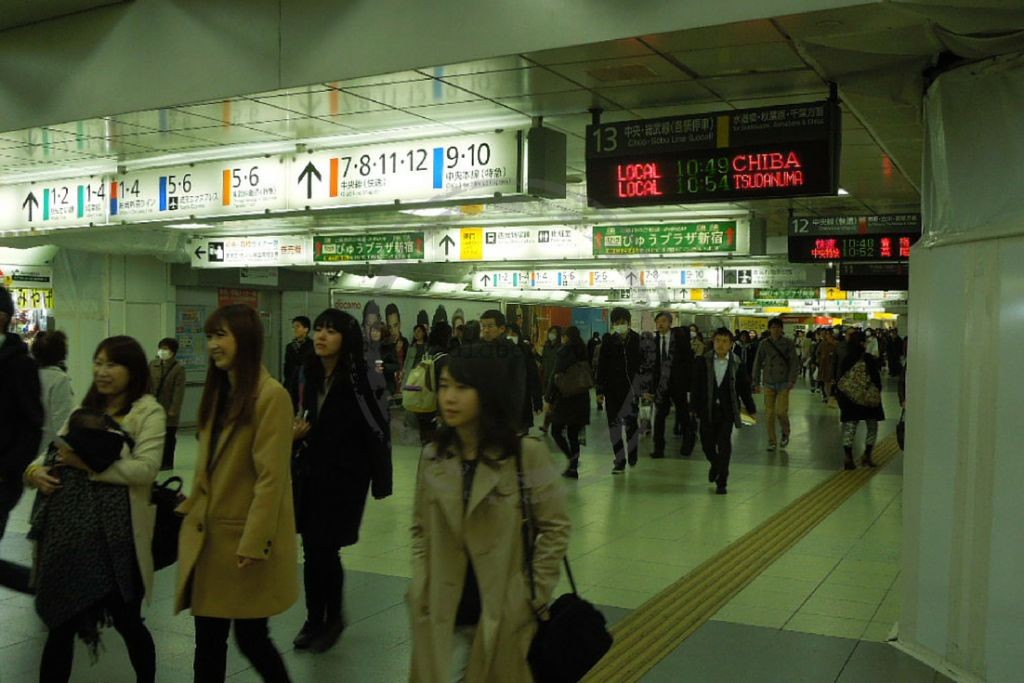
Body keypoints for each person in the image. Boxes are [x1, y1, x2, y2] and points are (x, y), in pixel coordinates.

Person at [408, 342, 571, 681]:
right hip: (443, 612)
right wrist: (422, 582)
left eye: (462, 387)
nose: (449, 397)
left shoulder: (525, 455)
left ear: (488, 392)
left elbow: (555, 529)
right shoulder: (434, 456)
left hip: (502, 613)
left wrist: (530, 596)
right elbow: (420, 527)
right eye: (444, 386)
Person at [26, 335, 163, 682]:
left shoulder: (147, 411)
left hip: (118, 543)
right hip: (72, 540)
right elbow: (53, 453)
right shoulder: (82, 411)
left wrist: (90, 467)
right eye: (98, 362)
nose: (102, 371)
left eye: (112, 364)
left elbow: (146, 469)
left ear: (132, 370)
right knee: (61, 623)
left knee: (129, 621)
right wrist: (34, 471)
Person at [175, 304, 297, 683]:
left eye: (221, 335)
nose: (213, 344)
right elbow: (210, 468)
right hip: (210, 539)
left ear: (246, 340)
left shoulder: (270, 396)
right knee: (208, 641)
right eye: (210, 336)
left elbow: (271, 478)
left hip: (242, 541)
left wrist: (255, 541)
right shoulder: (218, 394)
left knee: (251, 638)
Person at [291, 309, 393, 653]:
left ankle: (331, 618)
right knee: (312, 548)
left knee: (326, 547)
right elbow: (292, 413)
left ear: (345, 338)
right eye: (318, 329)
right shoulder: (306, 372)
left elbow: (379, 430)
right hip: (309, 470)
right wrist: (291, 435)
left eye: (330, 331)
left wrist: (382, 480)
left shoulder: (363, 377)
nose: (321, 336)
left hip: (346, 475)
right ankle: (312, 618)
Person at [0, 285, 43, 595]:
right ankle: (45, 586)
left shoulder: (19, 364)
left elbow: (32, 424)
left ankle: (44, 586)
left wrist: (8, 470)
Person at [691, 328, 757, 495]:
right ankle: (715, 464)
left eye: (725, 341)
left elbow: (743, 388)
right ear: (713, 342)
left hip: (727, 411)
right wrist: (694, 407)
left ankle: (722, 481)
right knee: (707, 444)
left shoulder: (736, 363)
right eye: (718, 340)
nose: (721, 344)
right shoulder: (702, 361)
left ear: (731, 344)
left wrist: (751, 409)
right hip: (707, 410)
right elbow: (696, 386)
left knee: (724, 444)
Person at [479, 310, 542, 435]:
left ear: (502, 328)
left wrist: (537, 401)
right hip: (487, 413)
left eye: (490, 326)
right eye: (483, 326)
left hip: (513, 414)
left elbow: (527, 379)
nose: (486, 330)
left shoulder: (515, 351)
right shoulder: (479, 351)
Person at [596, 308, 643, 473]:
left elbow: (642, 366)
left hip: (631, 391)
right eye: (616, 322)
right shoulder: (608, 341)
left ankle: (633, 453)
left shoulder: (637, 340)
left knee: (631, 425)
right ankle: (619, 459)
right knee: (614, 427)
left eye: (623, 322)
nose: (620, 325)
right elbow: (601, 366)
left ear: (629, 323)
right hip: (612, 390)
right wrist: (599, 390)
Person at [642, 311, 695, 459]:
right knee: (659, 417)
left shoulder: (680, 338)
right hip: (661, 385)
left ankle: (687, 443)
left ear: (670, 323)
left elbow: (688, 361)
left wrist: (689, 384)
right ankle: (659, 447)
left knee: (683, 414)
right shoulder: (654, 341)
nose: (660, 324)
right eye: (658, 321)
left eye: (664, 321)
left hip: (678, 383)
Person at [836, 331, 886, 470]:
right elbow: (876, 378)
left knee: (850, 428)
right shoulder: (868, 358)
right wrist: (877, 390)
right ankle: (867, 455)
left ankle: (848, 457)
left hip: (850, 398)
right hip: (868, 398)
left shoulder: (846, 358)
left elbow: (840, 377)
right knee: (872, 426)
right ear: (862, 343)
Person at [547, 326, 591, 478]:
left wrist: (549, 397)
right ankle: (573, 467)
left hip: (565, 398)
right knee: (573, 435)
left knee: (556, 431)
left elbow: (555, 375)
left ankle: (571, 460)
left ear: (566, 336)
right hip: (581, 397)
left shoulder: (564, 351)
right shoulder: (583, 350)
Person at [751, 317, 799, 450]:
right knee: (769, 413)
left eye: (778, 327)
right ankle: (772, 441)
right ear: (769, 329)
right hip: (768, 382)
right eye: (773, 327)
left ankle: (785, 432)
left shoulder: (788, 343)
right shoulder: (764, 344)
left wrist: (792, 379)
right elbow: (757, 362)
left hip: (783, 382)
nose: (775, 330)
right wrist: (755, 381)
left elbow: (794, 362)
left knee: (781, 412)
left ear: (781, 329)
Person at [34, 331, 74, 458]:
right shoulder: (59, 379)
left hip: (28, 448)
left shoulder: (30, 376)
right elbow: (62, 421)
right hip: (48, 452)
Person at [149, 337, 186, 470]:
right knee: (154, 436)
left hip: (168, 407)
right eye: (161, 348)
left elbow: (179, 390)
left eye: (166, 349)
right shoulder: (153, 364)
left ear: (173, 351)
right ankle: (155, 460)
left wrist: (174, 409)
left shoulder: (179, 368)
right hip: (153, 406)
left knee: (169, 437)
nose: (162, 351)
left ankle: (167, 462)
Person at [283, 316, 314, 409]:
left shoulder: (312, 346)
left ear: (306, 329)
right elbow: (287, 366)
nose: (295, 329)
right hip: (292, 383)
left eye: (297, 326)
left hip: (306, 384)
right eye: (294, 327)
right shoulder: (290, 347)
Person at [816, 328, 838, 402]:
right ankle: (827, 396)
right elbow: (817, 353)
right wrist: (820, 358)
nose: (827, 336)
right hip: (824, 365)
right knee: (825, 381)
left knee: (830, 382)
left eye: (828, 334)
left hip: (832, 365)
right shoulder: (823, 343)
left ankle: (830, 396)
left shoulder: (835, 343)